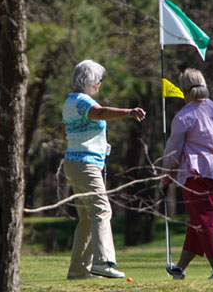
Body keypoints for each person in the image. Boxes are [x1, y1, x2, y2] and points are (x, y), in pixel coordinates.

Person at [62, 60, 146, 280]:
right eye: (99, 80)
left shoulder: (70, 101)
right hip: (85, 164)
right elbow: (99, 113)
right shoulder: (82, 101)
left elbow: (69, 131)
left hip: (76, 163)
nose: (100, 84)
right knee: (102, 209)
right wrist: (128, 112)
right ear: (89, 81)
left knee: (88, 218)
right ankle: (103, 262)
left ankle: (79, 270)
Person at [162, 69, 213, 280]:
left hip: (198, 175)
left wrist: (165, 177)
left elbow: (173, 152)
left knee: (206, 222)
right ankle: (179, 267)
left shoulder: (183, 116)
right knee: (199, 221)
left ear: (184, 90)